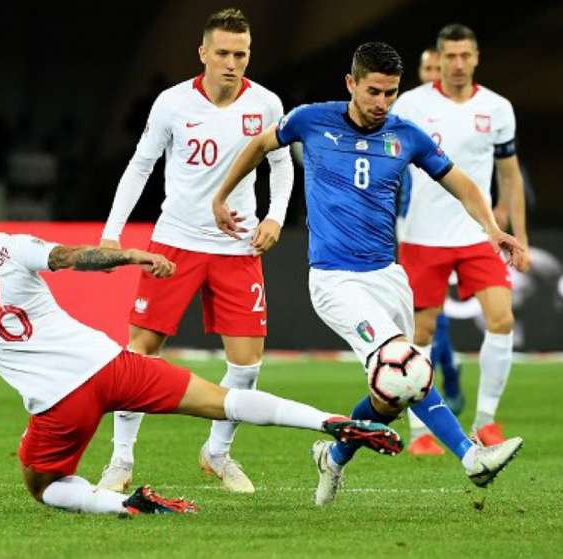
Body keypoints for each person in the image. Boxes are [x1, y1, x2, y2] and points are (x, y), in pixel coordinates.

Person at [0, 191, 402, 516]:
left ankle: (122, 506)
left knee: (41, 485)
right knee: (225, 402)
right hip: (110, 364)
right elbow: (73, 258)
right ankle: (328, 421)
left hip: (58, 404)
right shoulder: (11, 246)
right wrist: (137, 256)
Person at [212, 42, 526, 506]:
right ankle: (470, 456)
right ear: (351, 84)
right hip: (336, 280)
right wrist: (223, 196)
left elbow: (460, 181)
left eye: (391, 93)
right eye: (373, 91)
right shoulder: (309, 120)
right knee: (406, 369)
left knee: (389, 397)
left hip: (388, 277)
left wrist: (493, 228)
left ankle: (333, 458)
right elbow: (259, 145)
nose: (382, 103)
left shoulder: (406, 135)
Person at [97, 8, 294, 494]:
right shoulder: (172, 103)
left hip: (237, 246)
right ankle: (120, 459)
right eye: (223, 53)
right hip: (175, 242)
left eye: (241, 54)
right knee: (140, 353)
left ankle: (218, 452)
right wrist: (111, 234)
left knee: (247, 362)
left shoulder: (267, 104)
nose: (232, 63)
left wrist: (274, 217)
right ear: (203, 53)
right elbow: (140, 165)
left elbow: (283, 165)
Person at [392, 24, 530, 449]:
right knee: (422, 332)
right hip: (422, 235)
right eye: (449, 56)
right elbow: (390, 168)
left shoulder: (498, 108)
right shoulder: (411, 104)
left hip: (478, 234)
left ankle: (486, 419)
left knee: (502, 318)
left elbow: (509, 173)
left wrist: (517, 233)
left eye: (464, 56)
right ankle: (419, 432)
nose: (456, 64)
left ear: (476, 58)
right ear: (439, 58)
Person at [397, 45, 463, 456]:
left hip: (450, 231)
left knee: (430, 322)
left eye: (437, 68)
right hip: (409, 231)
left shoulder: (445, 125)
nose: (432, 73)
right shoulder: (405, 116)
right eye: (426, 68)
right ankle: (440, 381)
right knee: (420, 319)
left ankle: (445, 377)